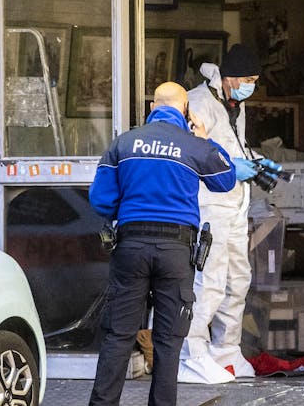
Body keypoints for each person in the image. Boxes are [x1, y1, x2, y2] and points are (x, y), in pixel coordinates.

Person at [88, 82, 237, 406]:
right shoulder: (192, 145)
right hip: (176, 251)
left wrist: (130, 209)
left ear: (151, 108)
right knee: (168, 341)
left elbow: (100, 200)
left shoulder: (123, 143)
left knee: (119, 336)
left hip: (131, 246)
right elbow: (226, 179)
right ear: (185, 111)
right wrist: (202, 137)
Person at [178, 44, 283, 384]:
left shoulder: (235, 105)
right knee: (208, 282)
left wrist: (254, 161)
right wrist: (230, 166)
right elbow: (192, 153)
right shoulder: (197, 103)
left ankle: (226, 351)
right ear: (231, 76)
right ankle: (191, 354)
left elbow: (231, 146)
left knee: (238, 281)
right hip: (209, 205)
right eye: (248, 79)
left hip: (234, 206)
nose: (251, 85)